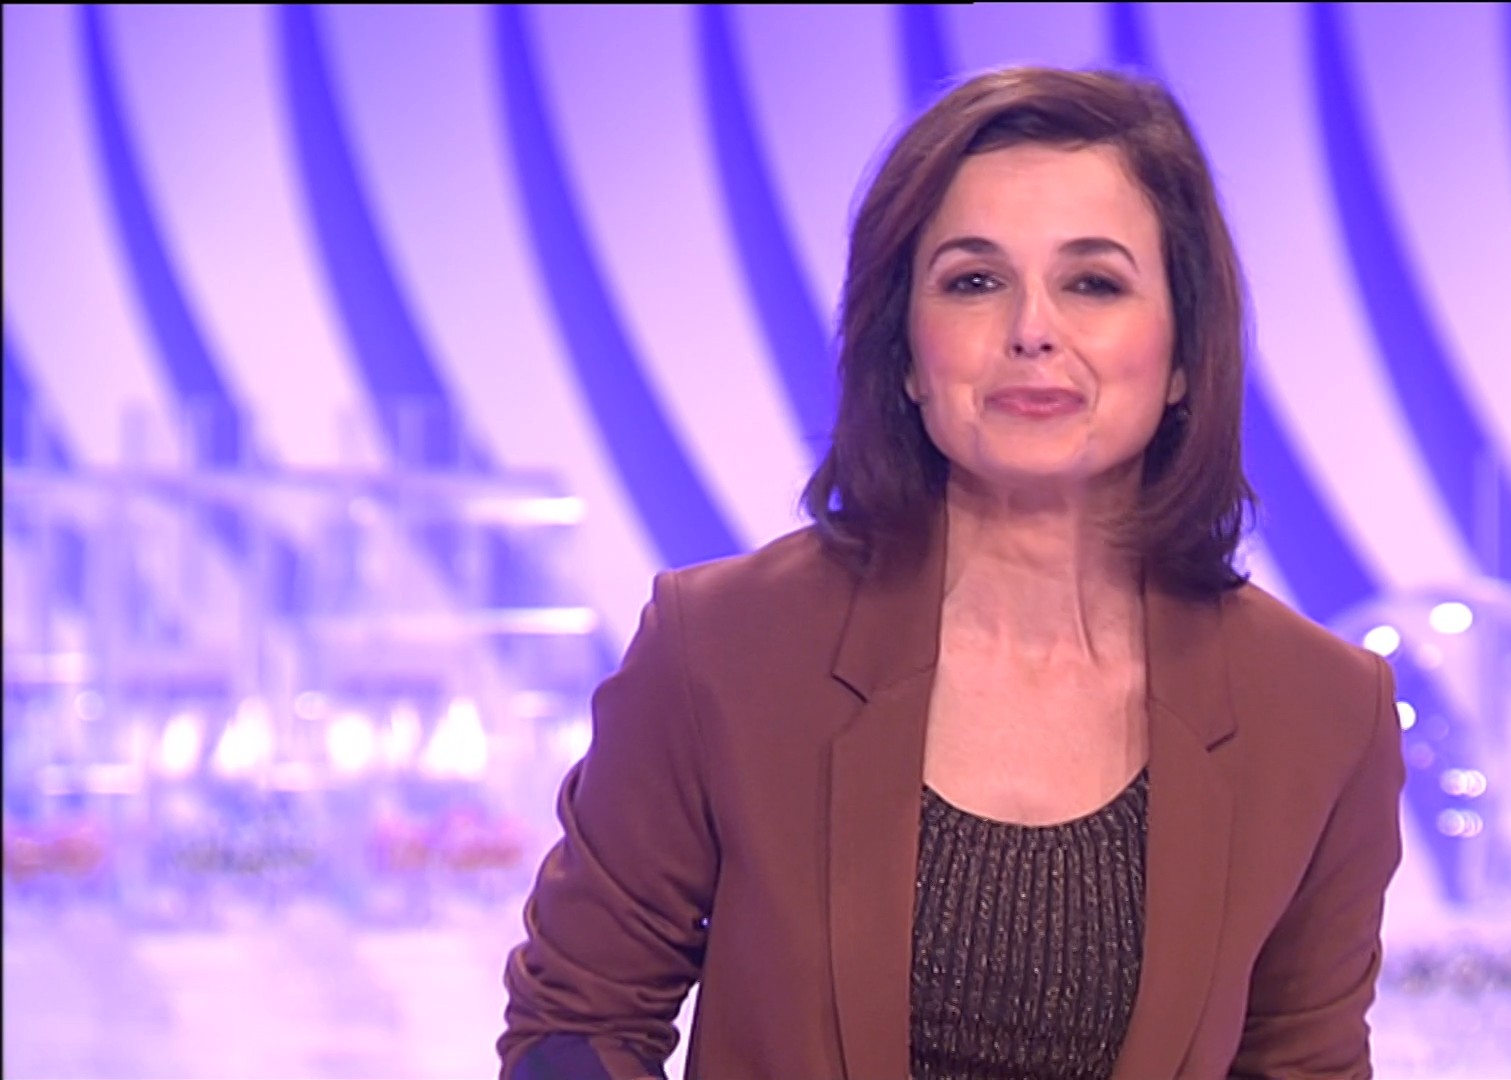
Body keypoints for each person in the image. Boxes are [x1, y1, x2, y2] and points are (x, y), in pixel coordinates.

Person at [500, 66, 1404, 1080]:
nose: (1032, 330)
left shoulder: (1321, 712)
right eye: (975, 281)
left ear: (1186, 353)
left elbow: (1300, 1065)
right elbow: (577, 1027)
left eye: (1093, 283)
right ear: (904, 354)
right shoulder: (719, 649)